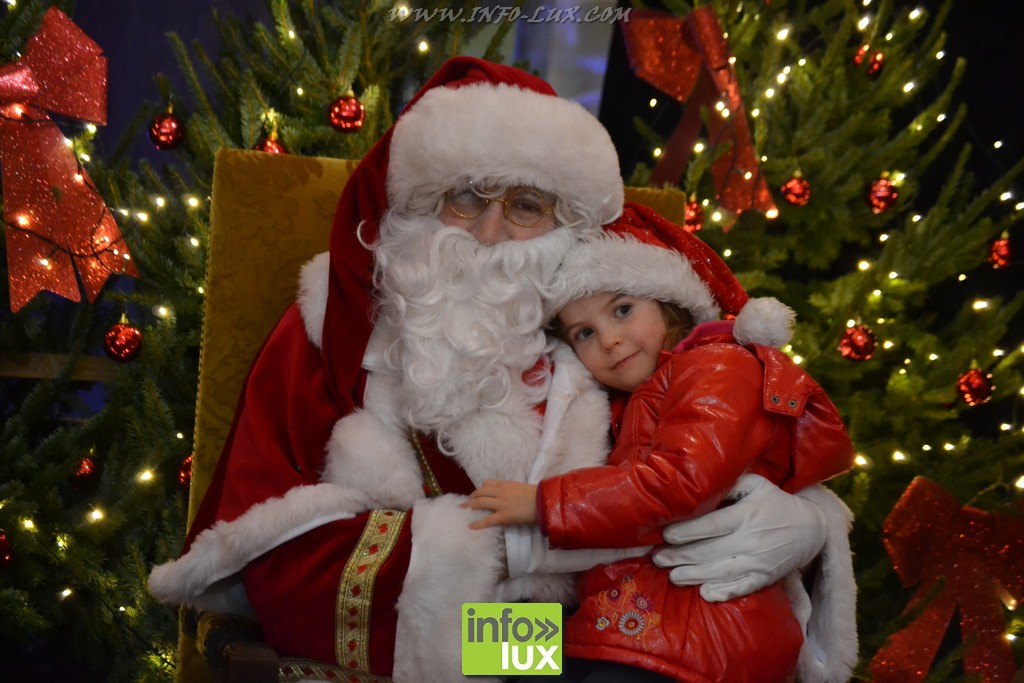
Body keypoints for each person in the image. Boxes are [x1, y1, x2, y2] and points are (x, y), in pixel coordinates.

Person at [148, 57, 849, 682]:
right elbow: (274, 547)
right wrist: (506, 572)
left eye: (525, 206)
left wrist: (807, 521)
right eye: (466, 197)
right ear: (421, 203)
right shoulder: (336, 322)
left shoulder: (600, 333)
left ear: (564, 225)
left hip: (610, 640)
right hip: (481, 644)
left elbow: (711, 439)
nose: (488, 233)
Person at [466, 203, 859, 683]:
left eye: (623, 310)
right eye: (585, 333)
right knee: (471, 653)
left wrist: (543, 504)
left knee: (483, 653)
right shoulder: (624, 394)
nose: (610, 340)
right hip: (609, 623)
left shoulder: (712, 366)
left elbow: (680, 481)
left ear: (669, 303)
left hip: (680, 637)